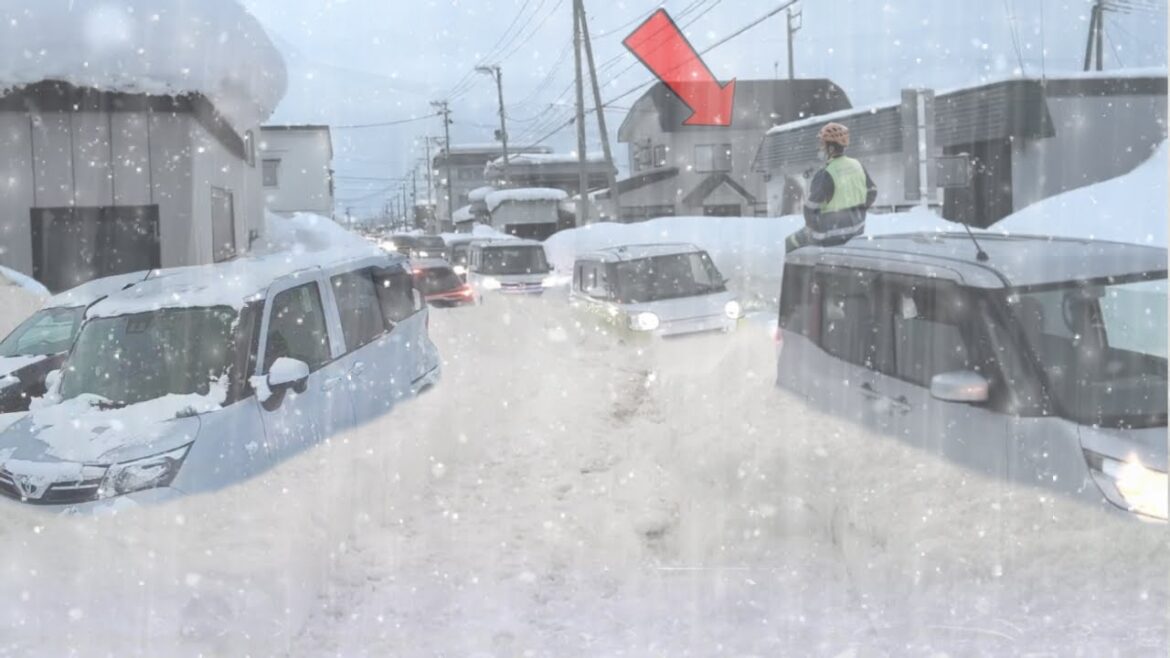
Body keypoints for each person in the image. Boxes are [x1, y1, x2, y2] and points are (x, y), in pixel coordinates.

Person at [785, 122, 878, 253]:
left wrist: (817, 227)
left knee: (789, 242)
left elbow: (810, 209)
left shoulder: (825, 174)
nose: (820, 148)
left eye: (822, 144)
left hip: (828, 236)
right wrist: (857, 211)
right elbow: (873, 191)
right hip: (856, 231)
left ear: (831, 149)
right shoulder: (858, 165)